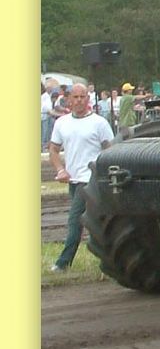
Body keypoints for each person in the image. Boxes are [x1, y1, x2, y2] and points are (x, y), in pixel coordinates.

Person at [48, 83, 114, 272]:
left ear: (88, 98)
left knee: (75, 220)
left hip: (90, 179)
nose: (79, 101)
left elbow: (110, 150)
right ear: (69, 99)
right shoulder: (62, 123)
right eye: (75, 97)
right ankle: (108, 258)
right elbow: (53, 149)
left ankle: (63, 263)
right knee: (95, 221)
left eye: (82, 97)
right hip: (73, 179)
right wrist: (60, 169)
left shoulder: (99, 123)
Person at [41, 82, 53, 152]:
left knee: (45, 133)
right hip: (43, 116)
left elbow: (47, 107)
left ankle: (44, 147)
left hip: (45, 116)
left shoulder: (45, 96)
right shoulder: (44, 96)